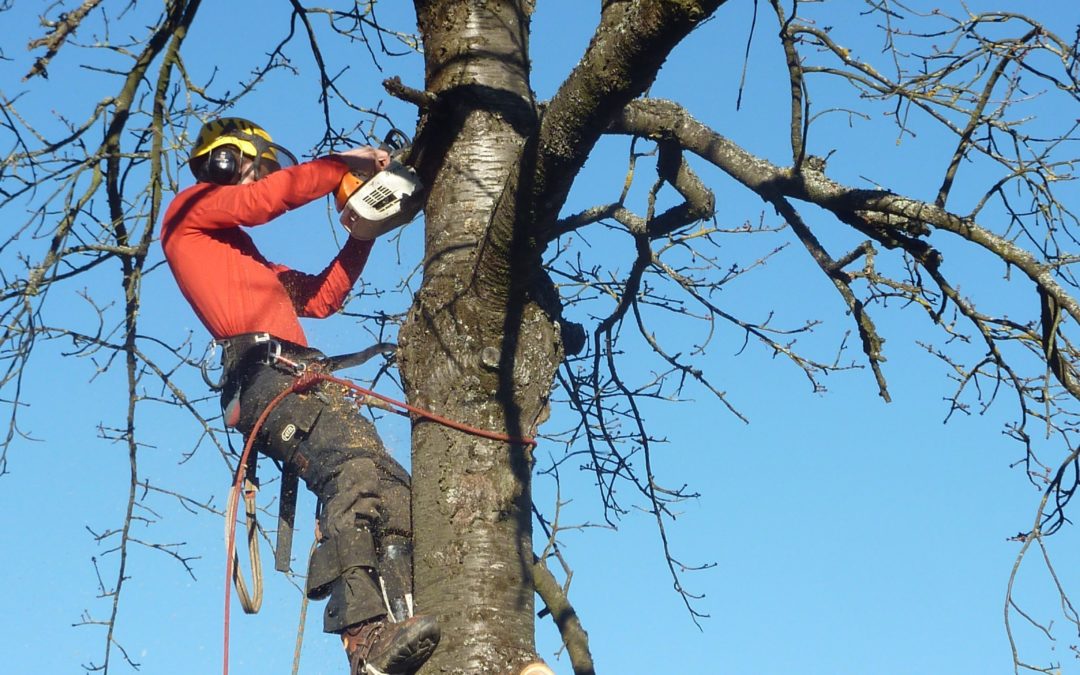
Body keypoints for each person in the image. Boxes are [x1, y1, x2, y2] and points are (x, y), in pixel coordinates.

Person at [160, 117, 439, 675]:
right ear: (224, 159)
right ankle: (364, 638)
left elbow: (322, 297)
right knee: (352, 470)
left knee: (390, 486)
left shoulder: (248, 260)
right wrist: (346, 164)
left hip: (300, 376)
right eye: (257, 167)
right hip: (263, 373)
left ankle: (406, 613)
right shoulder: (190, 212)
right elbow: (267, 200)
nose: (260, 179)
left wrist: (361, 232)